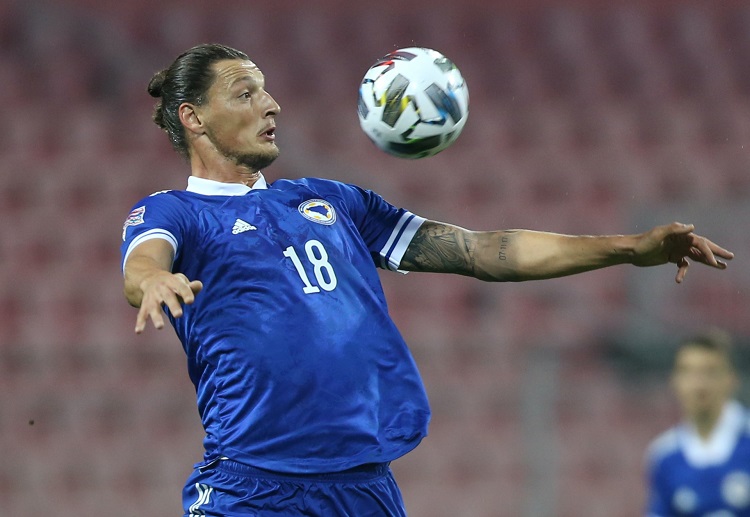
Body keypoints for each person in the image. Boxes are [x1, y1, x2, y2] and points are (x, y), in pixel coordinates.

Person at [120, 43, 734, 517]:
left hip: (364, 487)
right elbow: (143, 260)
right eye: (245, 93)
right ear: (193, 117)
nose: (271, 104)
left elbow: (481, 250)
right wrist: (152, 281)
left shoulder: (331, 201)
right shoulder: (176, 212)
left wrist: (631, 248)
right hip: (251, 488)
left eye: (266, 89)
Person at [645, 332, 750, 516]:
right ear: (674, 381)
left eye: (710, 372)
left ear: (731, 379)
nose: (699, 384)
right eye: (688, 372)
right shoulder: (664, 455)